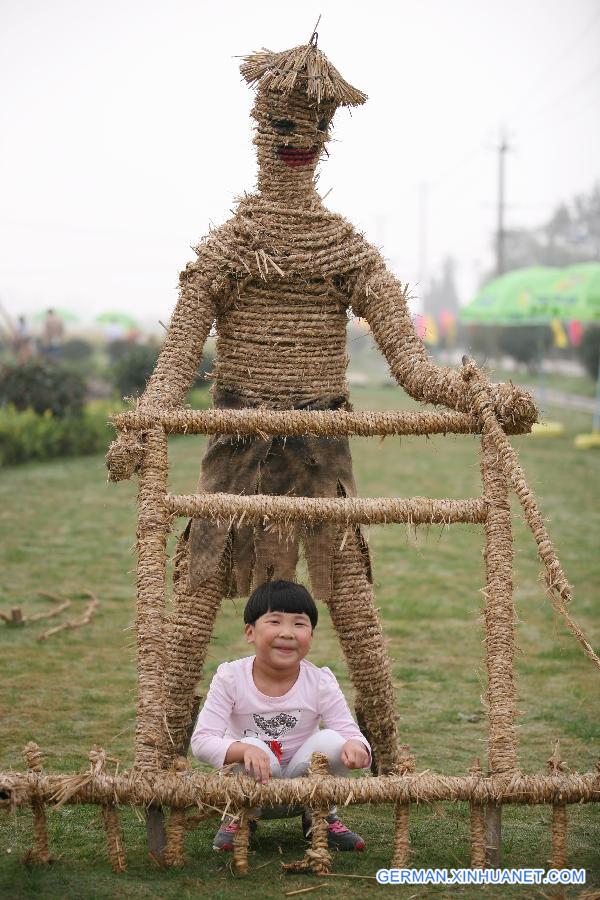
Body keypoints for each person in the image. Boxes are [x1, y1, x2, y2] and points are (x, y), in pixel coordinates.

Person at [191, 580, 371, 852]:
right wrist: (242, 750)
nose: (287, 633)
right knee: (252, 745)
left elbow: (350, 734)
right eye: (275, 622)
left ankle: (320, 818)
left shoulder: (320, 680)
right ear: (250, 632)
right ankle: (241, 817)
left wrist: (356, 748)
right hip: (254, 787)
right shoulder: (231, 677)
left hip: (307, 788)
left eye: (299, 624)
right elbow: (202, 741)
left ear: (311, 635)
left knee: (334, 740)